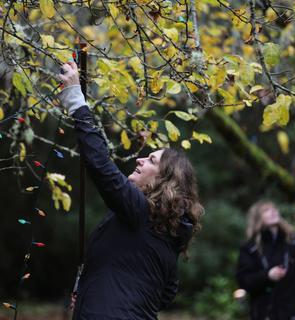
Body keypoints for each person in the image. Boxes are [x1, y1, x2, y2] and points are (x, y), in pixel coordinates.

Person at [57, 61, 204, 320]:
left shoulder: (141, 212)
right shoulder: (164, 231)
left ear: (165, 181)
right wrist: (96, 289)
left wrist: (75, 101)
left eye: (152, 161)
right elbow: (167, 292)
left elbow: (101, 167)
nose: (140, 160)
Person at [236, 200, 295, 320]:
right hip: (267, 313)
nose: (273, 212)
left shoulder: (294, 240)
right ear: (257, 218)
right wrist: (268, 276)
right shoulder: (250, 248)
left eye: (274, 209)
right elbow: (244, 280)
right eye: (266, 210)